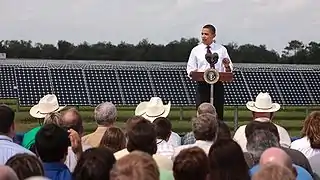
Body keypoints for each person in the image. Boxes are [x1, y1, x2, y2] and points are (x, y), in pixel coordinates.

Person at [186, 24, 233, 120]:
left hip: (217, 85)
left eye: (206, 34)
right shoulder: (196, 50)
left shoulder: (221, 49)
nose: (203, 36)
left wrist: (227, 66)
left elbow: (229, 69)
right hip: (202, 86)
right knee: (202, 113)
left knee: (218, 114)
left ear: (213, 35)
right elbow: (190, 69)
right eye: (202, 34)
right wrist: (194, 73)